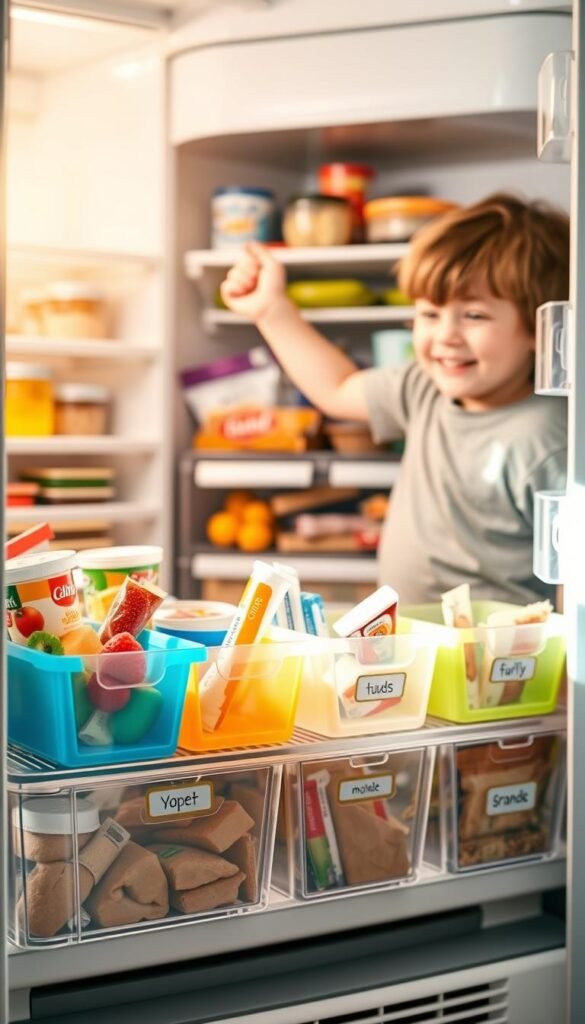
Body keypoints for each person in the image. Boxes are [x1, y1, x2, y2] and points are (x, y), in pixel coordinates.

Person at [220, 193, 569, 606]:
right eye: (429, 314)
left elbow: (572, 578)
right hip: (407, 642)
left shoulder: (548, 438)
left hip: (499, 662)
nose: (445, 337)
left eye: (474, 315)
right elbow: (337, 388)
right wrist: (271, 311)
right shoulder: (424, 388)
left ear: (538, 327)